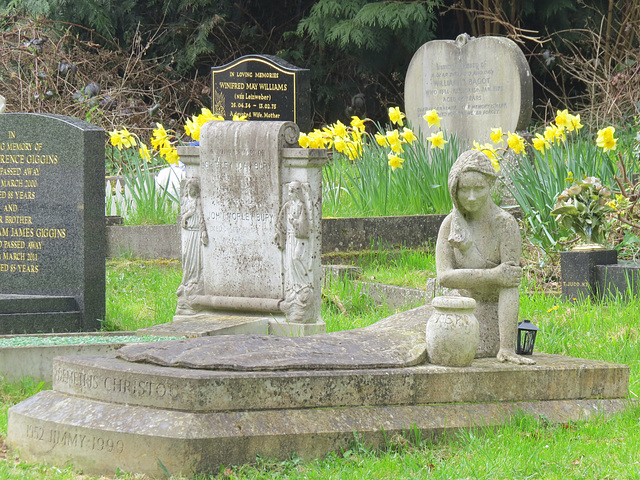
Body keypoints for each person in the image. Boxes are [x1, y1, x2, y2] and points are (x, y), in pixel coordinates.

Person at [435, 149, 535, 365]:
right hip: (455, 307)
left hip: (490, 318)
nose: (471, 197)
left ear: (490, 185)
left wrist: (507, 347)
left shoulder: (505, 225)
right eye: (464, 190)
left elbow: (509, 285)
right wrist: (493, 275)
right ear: (454, 190)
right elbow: (444, 277)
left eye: (478, 189)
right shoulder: (450, 224)